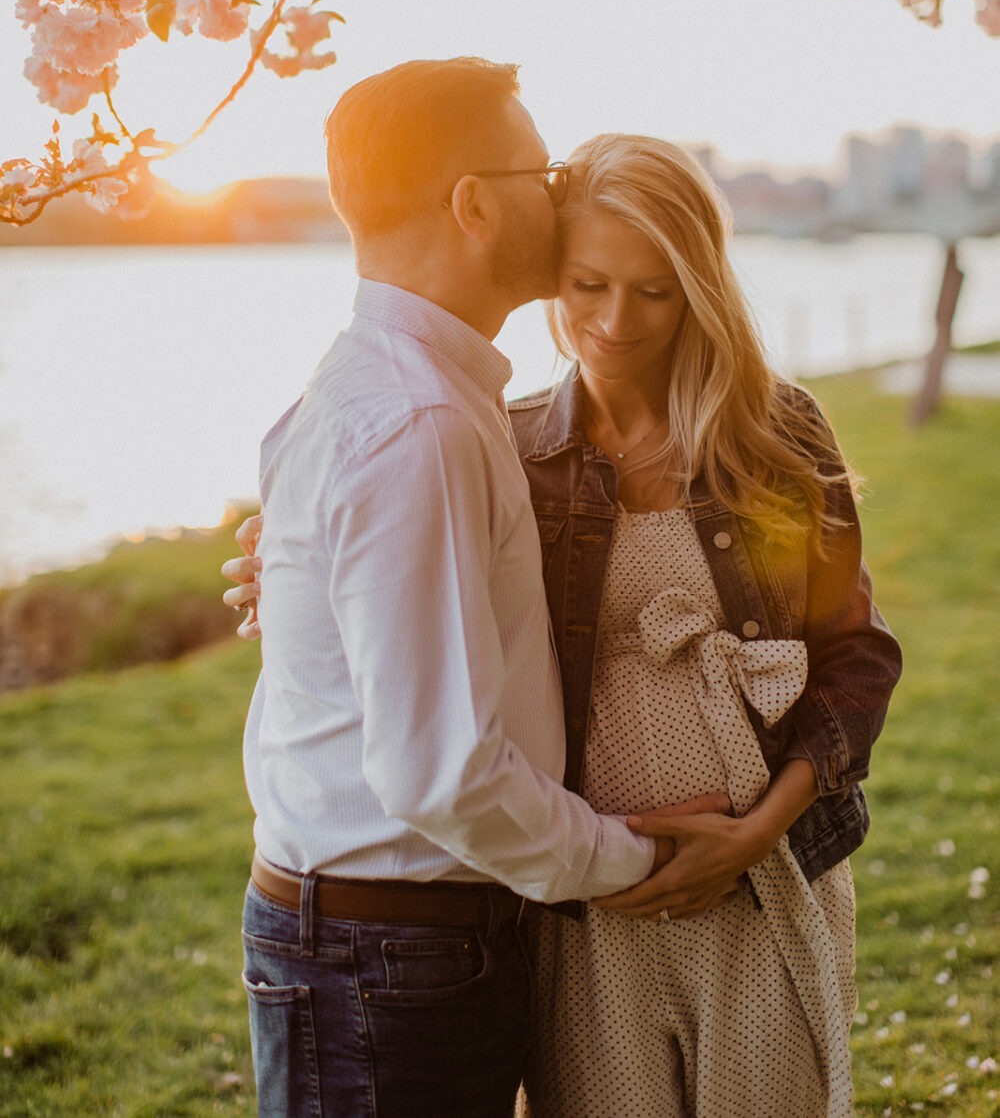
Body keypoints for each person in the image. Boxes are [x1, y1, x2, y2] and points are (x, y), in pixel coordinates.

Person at [228, 124, 901, 1117]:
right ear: (553, 280)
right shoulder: (501, 449)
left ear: (699, 284)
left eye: (654, 288)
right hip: (581, 907)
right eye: (588, 285)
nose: (616, 320)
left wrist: (760, 829)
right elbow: (386, 564)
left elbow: (854, 653)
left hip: (759, 886)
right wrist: (282, 566)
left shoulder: (775, 431)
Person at [235, 59, 712, 1118]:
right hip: (389, 955)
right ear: (474, 205)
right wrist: (635, 860)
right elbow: (440, 775)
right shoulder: (424, 424)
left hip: (384, 940)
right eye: (537, 170)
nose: (558, 192)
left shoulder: (389, 386)